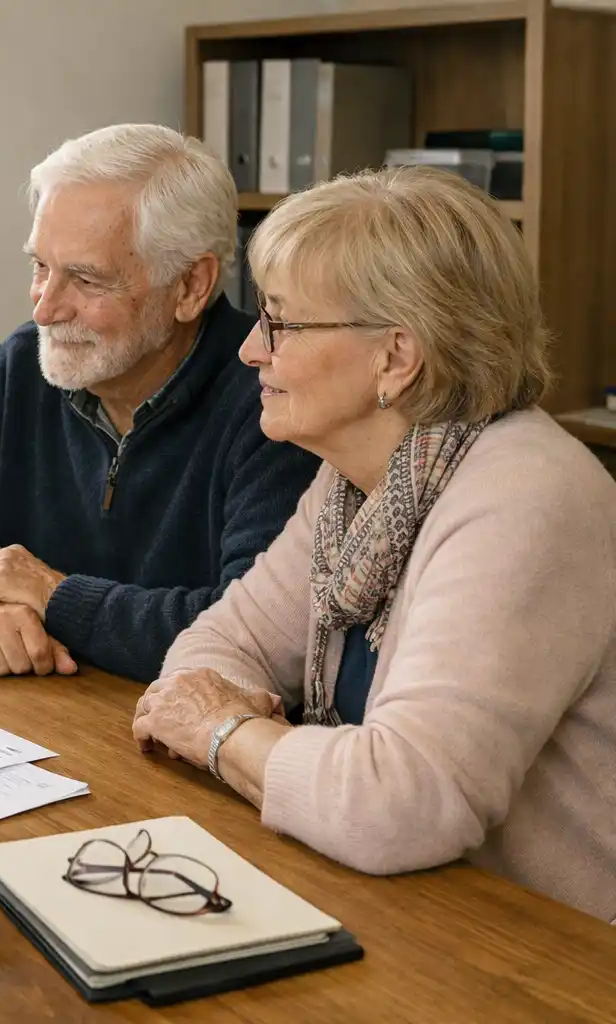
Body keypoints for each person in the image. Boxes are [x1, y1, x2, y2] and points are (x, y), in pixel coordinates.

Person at [131, 166, 616, 924]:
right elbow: (222, 642)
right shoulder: (356, 479)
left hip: (552, 952)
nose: (250, 350)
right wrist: (244, 728)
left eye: (283, 324)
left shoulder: (527, 499)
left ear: (395, 357)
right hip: (406, 906)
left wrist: (227, 733)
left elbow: (405, 803)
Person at [0, 124, 319, 682]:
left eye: (86, 279)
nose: (45, 309)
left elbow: (249, 636)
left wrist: (54, 596)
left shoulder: (275, 402)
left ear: (191, 286)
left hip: (180, 740)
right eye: (40, 267)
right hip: (45, 718)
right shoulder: (22, 367)